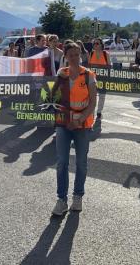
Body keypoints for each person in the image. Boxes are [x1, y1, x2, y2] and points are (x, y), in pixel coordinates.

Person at [51, 42, 97, 215]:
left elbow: (93, 102)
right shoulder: (62, 74)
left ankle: (78, 196)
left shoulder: (88, 75)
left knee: (81, 163)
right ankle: (61, 200)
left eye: (77, 54)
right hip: (63, 124)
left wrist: (80, 120)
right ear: (66, 57)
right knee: (62, 162)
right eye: (71, 55)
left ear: (81, 55)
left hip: (82, 125)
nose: (75, 58)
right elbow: (54, 97)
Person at [88, 37, 110, 121]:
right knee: (92, 96)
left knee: (102, 96)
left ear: (101, 45)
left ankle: (99, 111)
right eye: (94, 43)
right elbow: (89, 66)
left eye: (97, 43)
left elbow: (109, 66)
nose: (95, 45)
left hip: (103, 78)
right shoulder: (91, 53)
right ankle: (91, 112)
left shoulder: (106, 54)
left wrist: (108, 77)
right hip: (92, 79)